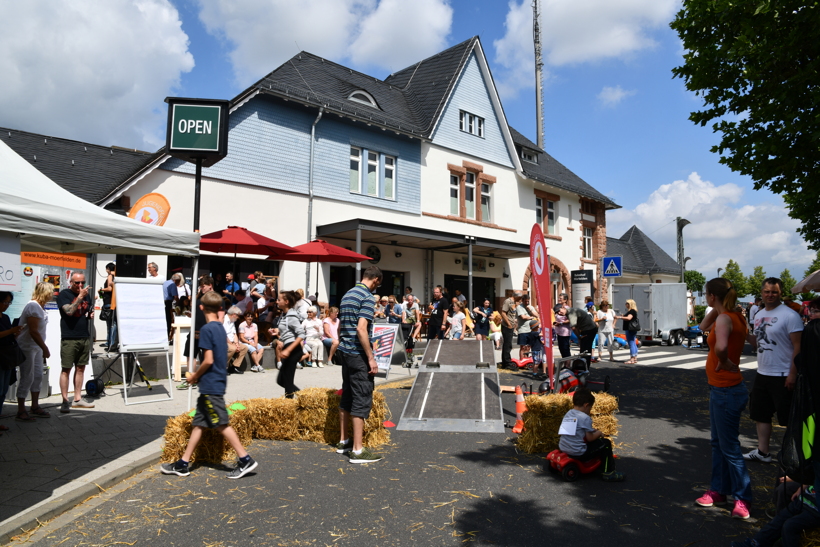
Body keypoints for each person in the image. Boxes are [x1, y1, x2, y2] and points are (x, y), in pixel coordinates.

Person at [161, 290, 258, 479]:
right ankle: (183, 463)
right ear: (220, 309)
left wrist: (194, 375)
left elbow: (208, 359)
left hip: (210, 384)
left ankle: (245, 459)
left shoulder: (206, 330)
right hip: (216, 381)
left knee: (221, 423)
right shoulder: (220, 328)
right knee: (199, 424)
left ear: (200, 308)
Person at [694, 278, 752, 519]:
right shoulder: (731, 315)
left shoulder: (726, 318)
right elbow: (701, 326)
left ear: (710, 296)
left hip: (726, 390)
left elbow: (721, 348)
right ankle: (719, 490)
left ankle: (743, 498)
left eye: (706, 295)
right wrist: (717, 306)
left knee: (729, 447)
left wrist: (725, 361)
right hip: (721, 389)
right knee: (719, 444)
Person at [744, 277, 803, 463]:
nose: (770, 295)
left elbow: (798, 347)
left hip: (783, 374)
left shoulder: (790, 315)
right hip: (763, 372)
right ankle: (763, 452)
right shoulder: (759, 314)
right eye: (767, 291)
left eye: (774, 292)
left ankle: (794, 457)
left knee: (788, 419)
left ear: (780, 293)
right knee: (760, 414)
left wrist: (793, 373)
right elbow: (757, 342)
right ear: (761, 293)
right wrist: (743, 332)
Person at [336, 266, 383, 463]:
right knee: (361, 397)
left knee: (347, 395)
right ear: (376, 281)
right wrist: (370, 357)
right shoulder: (367, 297)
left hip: (345, 352)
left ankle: (343, 441)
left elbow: (340, 326)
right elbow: (362, 329)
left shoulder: (348, 294)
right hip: (357, 354)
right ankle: (357, 450)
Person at [558, 388, 625, 481]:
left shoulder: (569, 413)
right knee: (605, 443)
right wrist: (599, 433)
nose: (590, 411)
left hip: (564, 447)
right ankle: (609, 472)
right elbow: (590, 438)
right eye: (590, 408)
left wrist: (592, 430)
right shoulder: (585, 418)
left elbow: (573, 430)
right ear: (586, 405)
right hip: (578, 452)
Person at [730, 484, 820, 547]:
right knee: (780, 519)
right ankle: (757, 543)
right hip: (804, 499)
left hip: (816, 510)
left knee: (790, 525)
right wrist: (802, 487)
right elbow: (812, 474)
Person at [57, 273, 95, 412]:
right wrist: (79, 298)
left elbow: (84, 312)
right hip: (69, 336)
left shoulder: (87, 295)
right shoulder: (64, 294)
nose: (80, 286)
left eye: (82, 283)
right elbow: (68, 311)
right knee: (66, 369)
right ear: (71, 282)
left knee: (81, 368)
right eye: (77, 283)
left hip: (83, 335)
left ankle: (77, 399)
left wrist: (89, 316)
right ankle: (65, 400)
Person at [15, 282, 54, 421]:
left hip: (36, 347)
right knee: (27, 376)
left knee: (37, 375)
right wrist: (45, 347)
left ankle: (35, 406)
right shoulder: (33, 306)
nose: (53, 294)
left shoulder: (41, 307)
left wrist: (41, 347)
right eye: (51, 292)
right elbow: (33, 331)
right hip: (27, 346)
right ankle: (21, 410)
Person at [271, 290, 305, 398]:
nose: (277, 301)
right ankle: (305, 396)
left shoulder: (291, 316)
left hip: (293, 349)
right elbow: (288, 330)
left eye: (279, 299)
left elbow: (301, 334)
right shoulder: (284, 315)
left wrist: (288, 350)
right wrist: (277, 332)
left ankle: (290, 404)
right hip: (288, 346)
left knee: (287, 380)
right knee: (281, 380)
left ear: (286, 301)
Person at [0, 292, 23, 427]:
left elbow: (8, 336)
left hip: (7, 357)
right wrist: (10, 331)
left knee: (3, 390)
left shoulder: (6, 318)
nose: (7, 306)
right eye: (4, 302)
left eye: (9, 303)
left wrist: (14, 334)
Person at [500, 291, 522, 369]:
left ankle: (506, 361)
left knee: (508, 344)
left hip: (511, 325)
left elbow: (512, 313)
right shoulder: (508, 301)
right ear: (516, 296)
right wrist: (509, 324)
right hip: (506, 326)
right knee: (507, 344)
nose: (520, 299)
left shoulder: (514, 302)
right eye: (520, 297)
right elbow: (503, 313)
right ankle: (506, 363)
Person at [223, 306, 248, 374]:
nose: (238, 317)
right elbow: (224, 335)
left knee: (244, 348)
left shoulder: (232, 321)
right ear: (234, 314)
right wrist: (233, 345)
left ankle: (234, 366)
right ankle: (224, 367)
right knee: (232, 349)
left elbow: (234, 334)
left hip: (232, 342)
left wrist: (237, 344)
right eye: (238, 315)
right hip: (225, 341)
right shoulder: (224, 320)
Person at [616, 300, 640, 364]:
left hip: (630, 329)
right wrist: (623, 316)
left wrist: (620, 317)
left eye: (626, 303)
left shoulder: (632, 311)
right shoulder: (633, 311)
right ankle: (635, 358)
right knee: (634, 343)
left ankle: (632, 359)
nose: (625, 304)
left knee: (631, 343)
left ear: (630, 304)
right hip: (632, 329)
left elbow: (629, 318)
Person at [100, 262, 117, 350]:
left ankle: (111, 343)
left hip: (109, 302)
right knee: (113, 324)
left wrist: (101, 289)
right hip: (114, 302)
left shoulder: (110, 276)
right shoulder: (117, 276)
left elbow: (110, 288)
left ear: (108, 269)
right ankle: (111, 342)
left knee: (111, 324)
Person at [162, 271, 178, 342]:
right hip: (168, 303)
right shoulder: (173, 284)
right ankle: (167, 337)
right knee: (168, 320)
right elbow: (175, 296)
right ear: (175, 280)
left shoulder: (165, 282)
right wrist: (178, 302)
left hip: (162, 302)